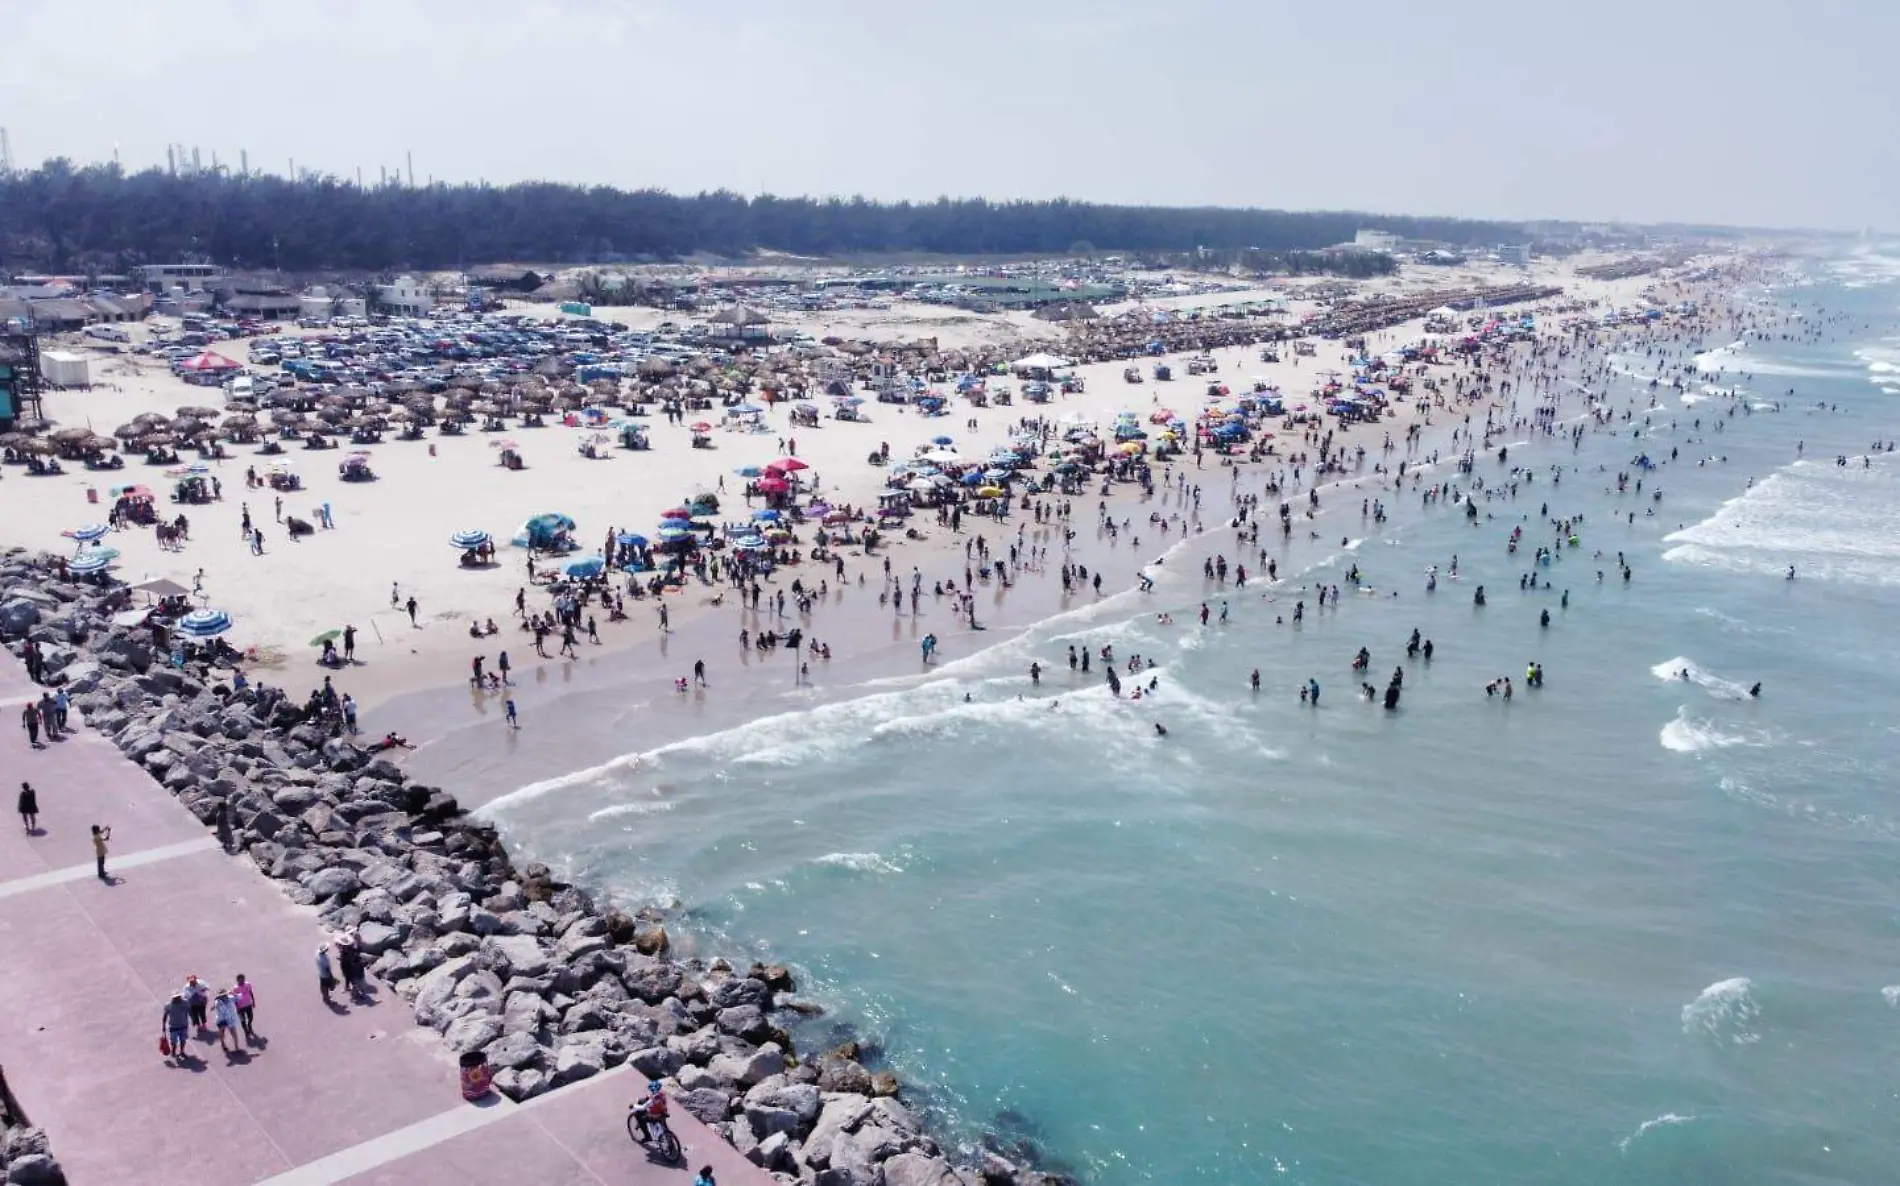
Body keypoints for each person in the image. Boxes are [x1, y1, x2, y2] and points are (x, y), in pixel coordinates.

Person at [161, 993, 191, 1064]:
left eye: (178, 997)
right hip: (173, 1026)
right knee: (173, 1041)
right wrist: (163, 1027)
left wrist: (193, 1018)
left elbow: (189, 1011)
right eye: (175, 997)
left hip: (183, 1025)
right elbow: (164, 1016)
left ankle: (182, 1052)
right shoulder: (168, 1005)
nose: (177, 998)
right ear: (172, 998)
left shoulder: (185, 1003)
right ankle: (173, 1051)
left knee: (183, 1040)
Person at [213, 987, 241, 1053]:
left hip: (231, 1019)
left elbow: (239, 997)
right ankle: (222, 1043)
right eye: (221, 996)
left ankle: (236, 1046)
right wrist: (216, 1004)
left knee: (234, 1033)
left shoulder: (231, 998)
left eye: (224, 995)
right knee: (222, 1033)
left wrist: (233, 993)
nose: (223, 997)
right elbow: (216, 1006)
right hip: (222, 1019)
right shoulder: (218, 1002)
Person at [232, 973, 257, 1041]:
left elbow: (251, 992)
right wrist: (237, 1007)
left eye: (243, 980)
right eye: (240, 980)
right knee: (242, 1020)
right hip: (240, 1007)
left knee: (250, 1017)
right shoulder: (235, 988)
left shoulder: (248, 984)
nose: (241, 981)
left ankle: (249, 1025)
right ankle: (246, 1030)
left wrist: (253, 1001)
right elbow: (234, 998)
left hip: (248, 1004)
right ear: (237, 980)